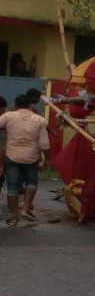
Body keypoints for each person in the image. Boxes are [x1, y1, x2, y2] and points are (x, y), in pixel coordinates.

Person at [0, 91, 50, 226]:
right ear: (29, 106)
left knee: (12, 187)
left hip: (12, 157)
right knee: (32, 183)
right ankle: (26, 208)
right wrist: (48, 160)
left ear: (15, 105)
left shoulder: (8, 116)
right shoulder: (39, 120)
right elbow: (45, 145)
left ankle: (14, 217)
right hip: (31, 157)